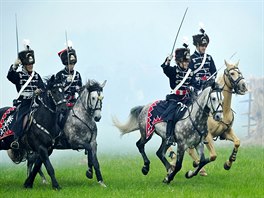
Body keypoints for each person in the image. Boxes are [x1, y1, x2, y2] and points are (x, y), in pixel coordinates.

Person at [161, 42, 202, 146]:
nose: (186, 64)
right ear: (179, 61)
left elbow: (194, 83)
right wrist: (167, 60)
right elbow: (165, 69)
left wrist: (194, 86)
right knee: (171, 115)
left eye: (187, 61)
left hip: (187, 97)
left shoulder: (190, 72)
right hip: (175, 98)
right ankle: (169, 136)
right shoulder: (173, 71)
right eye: (184, 61)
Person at [7, 40, 44, 149]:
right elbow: (9, 76)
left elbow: (43, 87)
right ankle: (16, 139)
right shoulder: (18, 75)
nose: (31, 66)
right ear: (24, 64)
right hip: (24, 102)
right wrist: (14, 66)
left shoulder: (36, 75)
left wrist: (39, 91)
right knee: (22, 118)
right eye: (28, 64)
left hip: (36, 102)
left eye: (32, 64)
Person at [55, 41, 82, 129]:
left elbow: (80, 88)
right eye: (70, 63)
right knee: (59, 119)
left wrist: (79, 89)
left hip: (74, 101)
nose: (72, 65)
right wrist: (66, 82)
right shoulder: (59, 74)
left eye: (73, 63)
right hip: (63, 102)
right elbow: (57, 90)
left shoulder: (77, 74)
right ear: (66, 63)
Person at [188, 27, 217, 91]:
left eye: (205, 46)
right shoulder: (191, 59)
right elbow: (189, 76)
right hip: (196, 88)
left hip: (209, 86)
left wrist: (211, 78)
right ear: (197, 45)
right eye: (202, 46)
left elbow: (214, 71)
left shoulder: (209, 58)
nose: (204, 48)